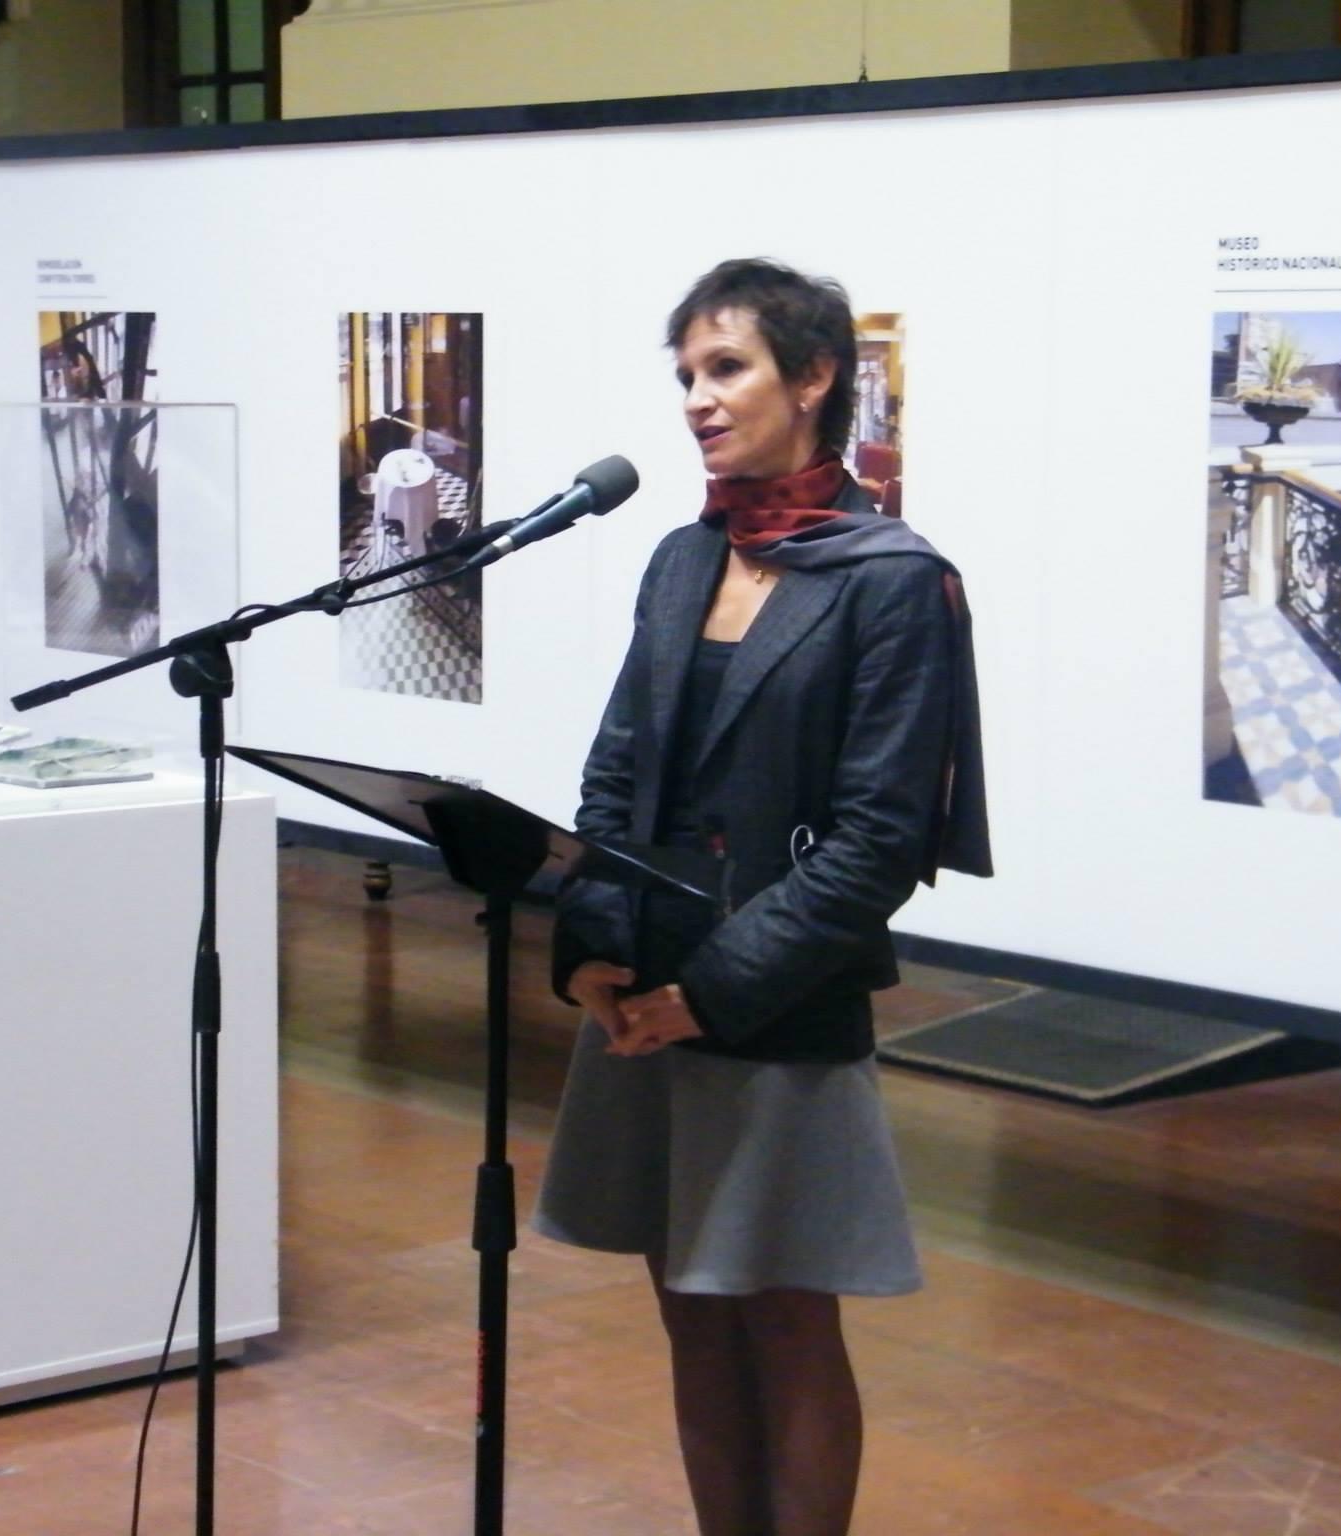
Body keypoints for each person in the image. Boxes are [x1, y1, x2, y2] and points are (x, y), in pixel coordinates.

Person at [534, 257, 991, 1536]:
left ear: (814, 377)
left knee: (785, 1317)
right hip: (643, 994)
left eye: (725, 367)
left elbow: (878, 841)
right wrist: (598, 958)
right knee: (687, 1303)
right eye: (685, 374)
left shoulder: (891, 580)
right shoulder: (685, 561)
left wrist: (708, 992)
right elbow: (617, 771)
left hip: (772, 1002)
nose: (697, 397)